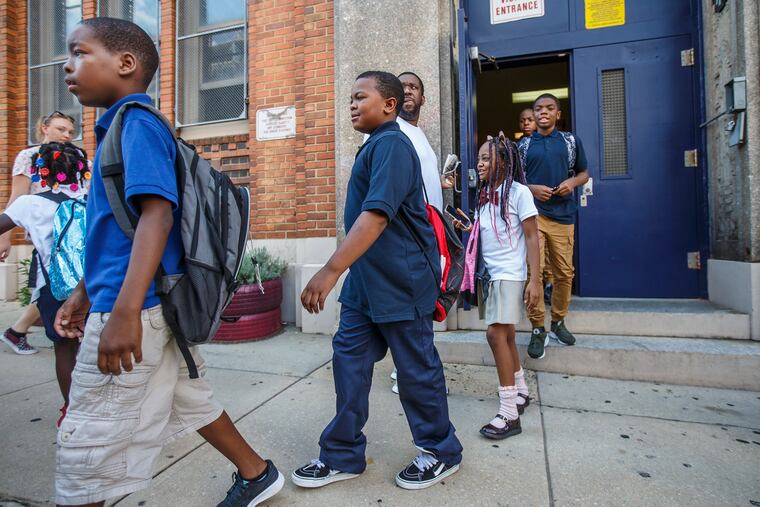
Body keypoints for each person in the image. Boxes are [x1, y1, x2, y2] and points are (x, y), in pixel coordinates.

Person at [54, 17, 283, 506]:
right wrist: (83, 292)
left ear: (125, 63)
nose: (66, 67)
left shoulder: (135, 122)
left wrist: (124, 311)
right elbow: (119, 230)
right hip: (137, 302)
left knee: (90, 445)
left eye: (78, 53)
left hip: (135, 309)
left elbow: (157, 218)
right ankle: (257, 473)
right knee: (189, 397)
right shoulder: (120, 126)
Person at [292, 71, 462, 491]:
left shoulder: (393, 146)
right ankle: (343, 454)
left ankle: (442, 450)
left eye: (360, 97)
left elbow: (377, 215)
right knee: (349, 365)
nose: (351, 104)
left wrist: (331, 269)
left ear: (389, 104)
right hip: (366, 287)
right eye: (350, 97)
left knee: (416, 372)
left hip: (402, 283)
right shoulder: (374, 146)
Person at [453, 133, 540, 439]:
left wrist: (535, 281)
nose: (480, 162)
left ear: (505, 162)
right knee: (507, 335)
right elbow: (488, 230)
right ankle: (520, 392)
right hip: (491, 275)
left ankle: (509, 414)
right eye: (479, 157)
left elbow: (532, 237)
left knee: (494, 334)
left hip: (509, 274)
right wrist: (467, 225)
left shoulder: (518, 193)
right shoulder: (486, 194)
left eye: (487, 157)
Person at [0, 142, 87, 427]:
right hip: (92, 286)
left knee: (64, 348)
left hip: (55, 288)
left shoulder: (29, 204)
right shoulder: (91, 199)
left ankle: (70, 410)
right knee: (95, 344)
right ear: (80, 171)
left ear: (41, 172)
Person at [0, 111, 77, 355]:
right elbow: (18, 197)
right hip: (44, 233)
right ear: (45, 128)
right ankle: (18, 330)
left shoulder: (73, 157)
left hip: (70, 235)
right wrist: (5, 238)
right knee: (50, 285)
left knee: (50, 286)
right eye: (61, 129)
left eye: (70, 132)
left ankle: (19, 330)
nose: (67, 135)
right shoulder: (29, 156)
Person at [520, 93, 589, 360]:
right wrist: (532, 189)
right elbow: (513, 183)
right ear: (534, 114)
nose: (543, 112)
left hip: (563, 217)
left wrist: (572, 184)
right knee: (534, 275)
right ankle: (538, 328)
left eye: (549, 108)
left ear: (557, 114)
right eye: (538, 109)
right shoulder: (523, 146)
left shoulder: (571, 141)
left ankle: (558, 321)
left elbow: (584, 172)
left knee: (564, 273)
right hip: (533, 217)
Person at [517, 107, 553, 304]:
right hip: (527, 209)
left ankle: (549, 285)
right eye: (522, 121)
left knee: (547, 253)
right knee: (531, 250)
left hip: (548, 208)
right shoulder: (519, 146)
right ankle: (531, 287)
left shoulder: (547, 145)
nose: (526, 124)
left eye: (530, 119)